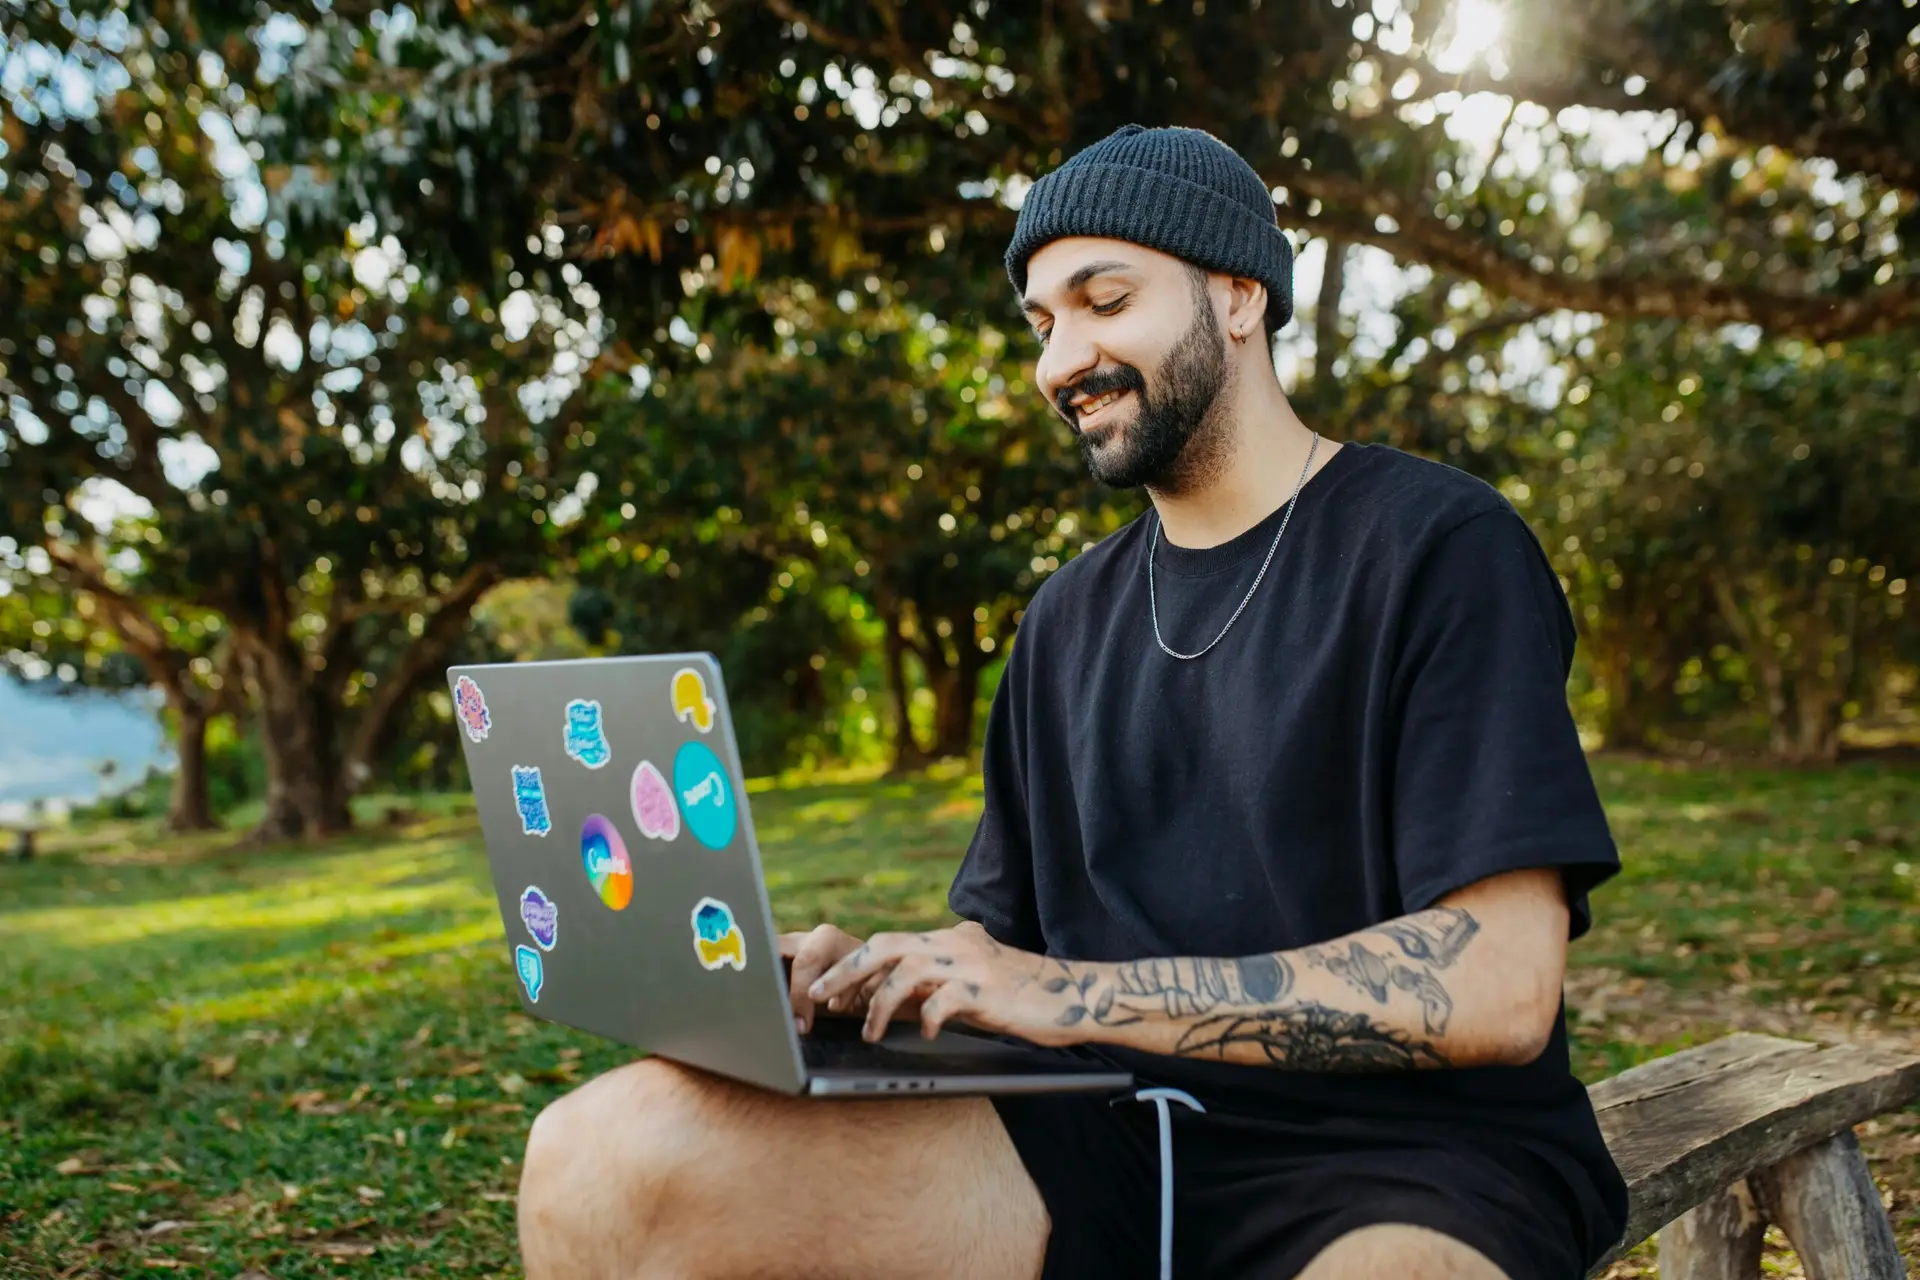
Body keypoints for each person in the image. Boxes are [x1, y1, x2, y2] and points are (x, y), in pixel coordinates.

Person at [517, 124, 1629, 1280]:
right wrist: (874, 977)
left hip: (1414, 1156)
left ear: (1238, 296)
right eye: (1044, 324)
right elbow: (1008, 946)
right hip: (1100, 1129)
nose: (1063, 359)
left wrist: (1067, 991)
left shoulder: (1440, 546)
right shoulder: (1064, 619)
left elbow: (1499, 984)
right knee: (596, 1158)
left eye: (1105, 299)